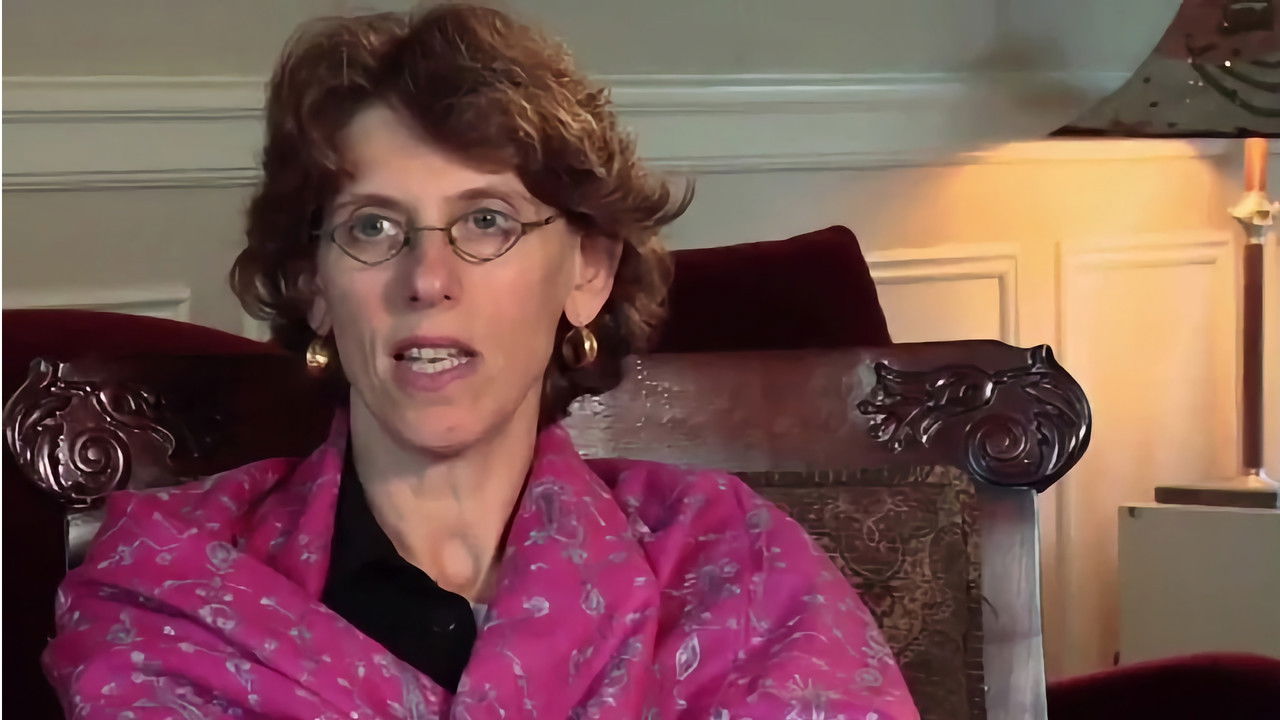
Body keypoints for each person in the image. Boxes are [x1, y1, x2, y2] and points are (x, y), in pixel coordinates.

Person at [43, 4, 918, 718]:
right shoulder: (171, 587)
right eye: (373, 226)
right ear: (315, 286)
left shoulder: (733, 563)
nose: (428, 279)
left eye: (487, 221)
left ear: (587, 271)